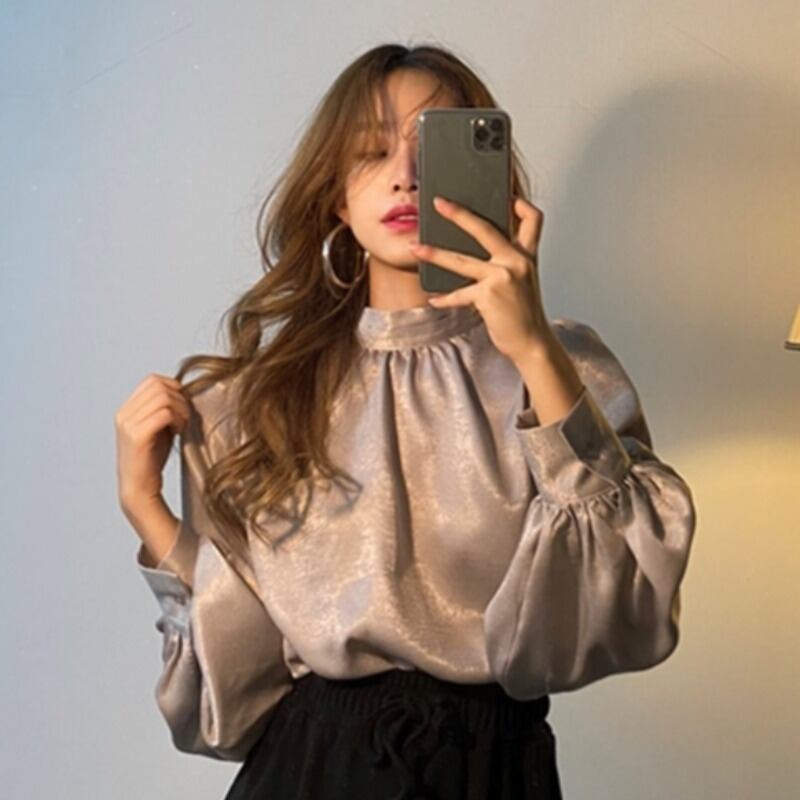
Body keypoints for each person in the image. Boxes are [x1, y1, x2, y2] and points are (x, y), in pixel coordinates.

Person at [115, 42, 697, 800]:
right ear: (334, 194)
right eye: (370, 151)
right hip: (310, 774)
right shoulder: (260, 400)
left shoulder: (564, 367)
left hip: (494, 773)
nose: (405, 175)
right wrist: (147, 509)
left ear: (490, 178)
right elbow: (236, 701)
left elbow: (625, 607)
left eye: (434, 148)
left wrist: (530, 346)